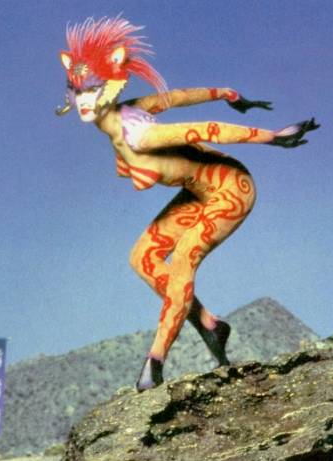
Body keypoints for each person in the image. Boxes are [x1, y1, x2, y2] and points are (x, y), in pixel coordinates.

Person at [56, 16, 318, 390]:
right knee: (142, 258)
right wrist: (228, 93)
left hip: (231, 188)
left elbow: (208, 130)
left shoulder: (141, 135)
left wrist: (273, 137)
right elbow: (176, 97)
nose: (83, 100)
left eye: (92, 90)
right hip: (198, 193)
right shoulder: (124, 114)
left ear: (110, 87)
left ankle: (155, 363)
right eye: (76, 90)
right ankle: (210, 324)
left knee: (182, 260)